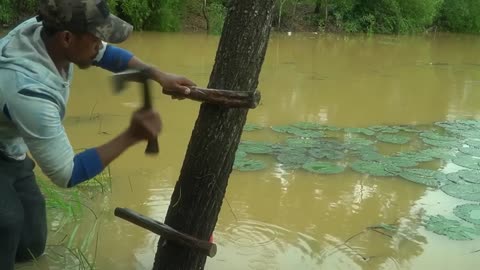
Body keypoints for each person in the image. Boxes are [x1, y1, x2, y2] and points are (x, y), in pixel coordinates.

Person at [0, 0, 196, 268]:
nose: (99, 46)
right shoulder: (28, 89)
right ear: (68, 38)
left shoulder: (50, 30)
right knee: (6, 224)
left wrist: (158, 75)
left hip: (7, 144)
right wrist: (132, 134)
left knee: (31, 242)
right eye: (95, 40)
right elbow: (66, 174)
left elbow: (105, 54)